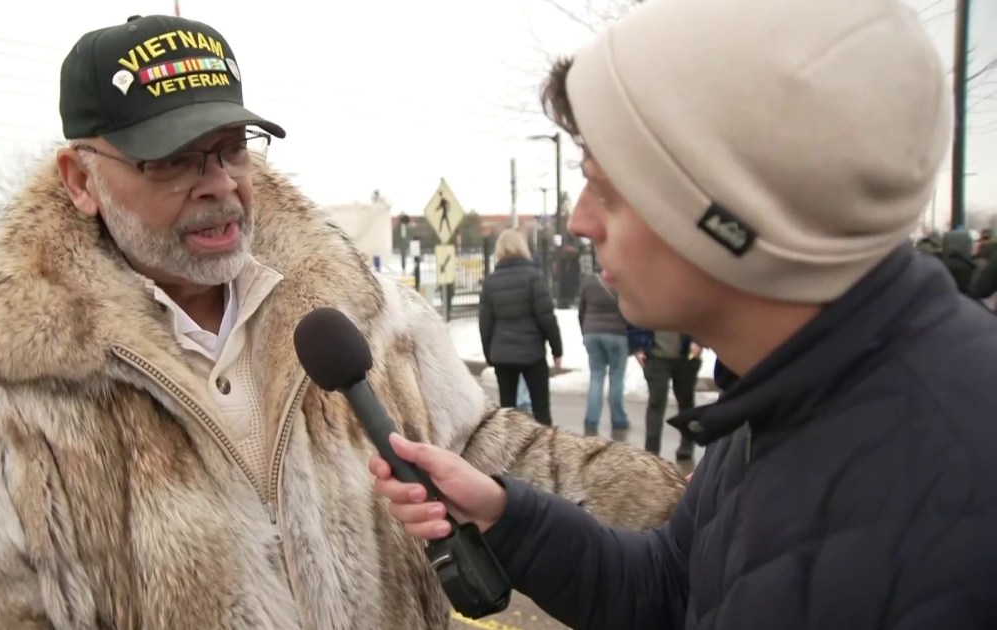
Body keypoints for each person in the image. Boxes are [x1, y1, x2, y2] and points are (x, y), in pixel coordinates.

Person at [0, 14, 688, 630]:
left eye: (231, 147)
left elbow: (498, 456)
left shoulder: (364, 313)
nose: (217, 183)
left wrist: (715, 513)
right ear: (79, 177)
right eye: (173, 158)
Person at [368, 0, 997, 627]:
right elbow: (670, 589)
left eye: (607, 188)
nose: (583, 221)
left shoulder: (960, 502)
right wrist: (507, 517)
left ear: (731, 218)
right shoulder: (778, 395)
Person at [478, 228, 563, 425]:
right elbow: (546, 317)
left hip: (502, 355)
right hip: (532, 354)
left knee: (507, 412)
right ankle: (545, 451)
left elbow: (485, 323)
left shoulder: (491, 283)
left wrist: (489, 354)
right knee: (541, 410)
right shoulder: (534, 277)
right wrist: (556, 350)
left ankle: (509, 453)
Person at [628, 325, 702, 458]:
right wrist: (638, 347)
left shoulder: (688, 303)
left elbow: (701, 317)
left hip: (686, 356)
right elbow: (636, 321)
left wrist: (698, 340)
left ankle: (686, 445)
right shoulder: (649, 304)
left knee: (686, 401)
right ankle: (652, 450)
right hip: (656, 357)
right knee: (656, 402)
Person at [577, 267, 630, 437]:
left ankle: (591, 420)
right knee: (616, 378)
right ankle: (619, 419)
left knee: (596, 376)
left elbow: (581, 310)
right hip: (617, 334)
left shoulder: (589, 282)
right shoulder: (624, 283)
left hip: (592, 333)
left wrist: (585, 331)